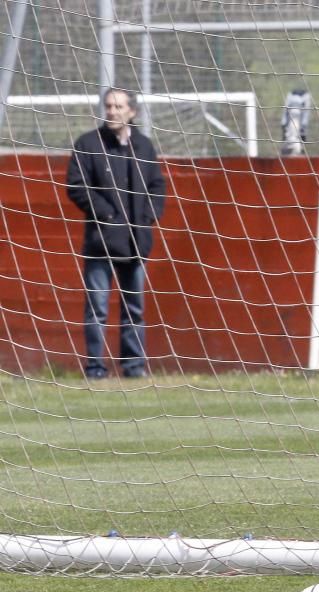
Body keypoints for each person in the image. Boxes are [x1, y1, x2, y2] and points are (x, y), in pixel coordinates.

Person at [66, 87, 166, 379]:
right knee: (97, 309)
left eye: (118, 106)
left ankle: (134, 367)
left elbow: (157, 185)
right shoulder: (88, 144)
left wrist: (149, 216)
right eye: (108, 106)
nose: (112, 111)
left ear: (131, 111)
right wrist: (107, 214)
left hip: (136, 243)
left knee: (134, 309)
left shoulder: (144, 147)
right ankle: (96, 369)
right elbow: (76, 186)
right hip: (101, 243)